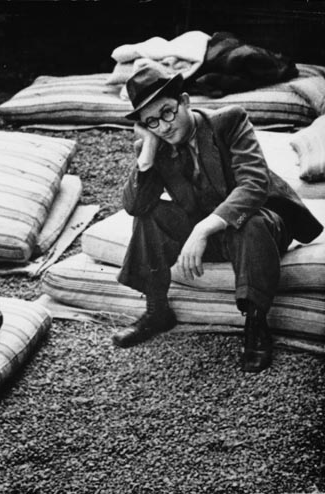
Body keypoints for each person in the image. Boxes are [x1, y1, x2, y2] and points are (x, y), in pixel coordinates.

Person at [112, 61, 323, 372]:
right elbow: (135, 206)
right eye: (151, 122)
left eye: (167, 112)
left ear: (185, 101)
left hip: (261, 224)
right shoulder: (155, 144)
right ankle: (157, 311)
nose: (164, 126)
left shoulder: (229, 121)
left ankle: (256, 323)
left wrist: (202, 230)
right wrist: (146, 156)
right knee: (150, 213)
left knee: (250, 222)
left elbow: (253, 185)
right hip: (211, 230)